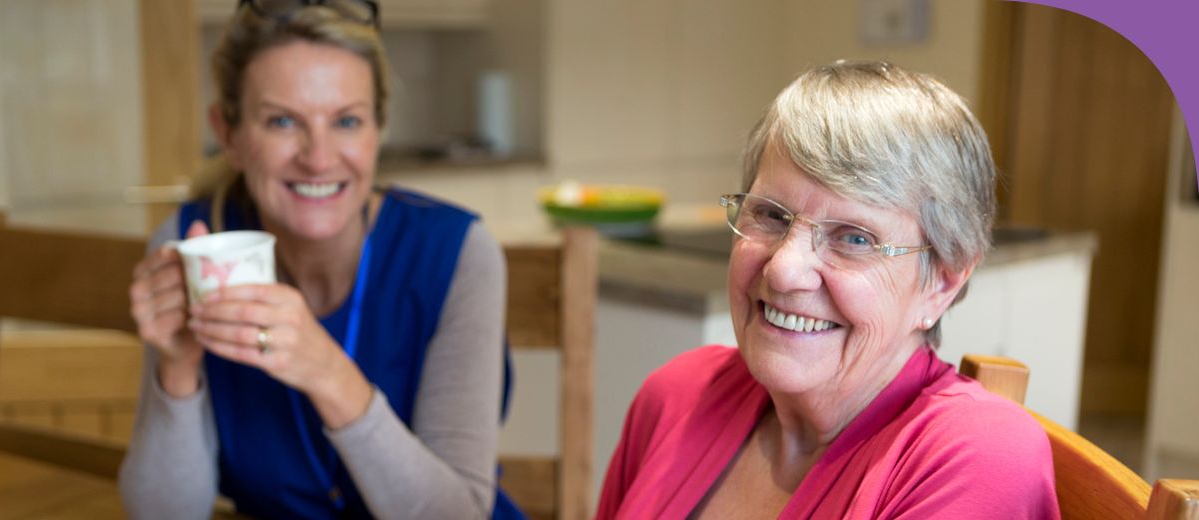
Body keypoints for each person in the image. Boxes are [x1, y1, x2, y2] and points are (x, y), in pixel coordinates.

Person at [595, 61, 1061, 519]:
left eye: (855, 238)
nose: (783, 271)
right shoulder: (679, 394)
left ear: (942, 280)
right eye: (772, 215)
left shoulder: (979, 460)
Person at [118, 1, 521, 518]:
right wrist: (177, 369)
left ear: (378, 131)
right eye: (283, 121)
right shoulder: (193, 247)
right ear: (230, 136)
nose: (319, 157)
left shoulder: (457, 255)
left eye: (347, 121)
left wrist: (328, 372)